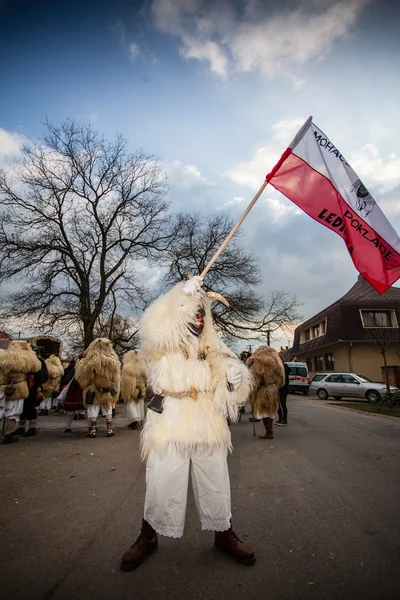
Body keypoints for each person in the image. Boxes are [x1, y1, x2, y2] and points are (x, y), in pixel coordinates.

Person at [120, 276, 255, 572]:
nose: (196, 318)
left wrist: (235, 377)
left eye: (200, 313)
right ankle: (149, 535)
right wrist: (182, 298)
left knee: (215, 479)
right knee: (161, 479)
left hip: (208, 419)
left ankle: (223, 532)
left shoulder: (211, 345)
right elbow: (152, 332)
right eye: (190, 312)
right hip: (170, 418)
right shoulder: (162, 343)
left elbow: (228, 377)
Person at [74, 338, 120, 438]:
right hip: (107, 389)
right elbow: (115, 377)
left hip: (93, 389)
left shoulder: (89, 362)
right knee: (107, 408)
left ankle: (93, 430)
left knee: (93, 408)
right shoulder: (113, 361)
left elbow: (84, 378)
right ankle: (109, 429)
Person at [0, 342, 42, 444]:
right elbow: (36, 368)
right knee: (13, 411)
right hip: (18, 387)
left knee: (1, 409)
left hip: (3, 387)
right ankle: (8, 435)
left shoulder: (3, 356)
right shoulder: (26, 358)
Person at [246, 346, 284, 440]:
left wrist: (252, 390)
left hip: (263, 390)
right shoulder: (277, 362)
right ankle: (270, 431)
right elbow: (282, 379)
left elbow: (255, 380)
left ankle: (269, 432)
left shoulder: (258, 362)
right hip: (274, 390)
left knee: (264, 411)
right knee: (271, 411)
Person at [15, 345, 48, 437]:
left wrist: (33, 377)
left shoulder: (40, 361)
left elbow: (43, 376)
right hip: (22, 386)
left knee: (30, 406)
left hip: (33, 387)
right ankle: (21, 427)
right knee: (21, 407)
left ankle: (32, 428)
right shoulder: (24, 361)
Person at [121, 349, 147, 430]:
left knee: (132, 405)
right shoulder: (143, 366)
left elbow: (125, 380)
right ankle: (140, 420)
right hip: (141, 387)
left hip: (131, 388)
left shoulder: (127, 366)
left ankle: (135, 421)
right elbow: (146, 377)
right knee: (140, 404)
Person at [277, 359, 290, 426]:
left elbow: (283, 379)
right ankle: (280, 418)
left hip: (283, 388)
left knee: (282, 403)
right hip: (279, 388)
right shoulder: (281, 367)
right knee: (277, 404)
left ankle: (284, 419)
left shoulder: (284, 368)